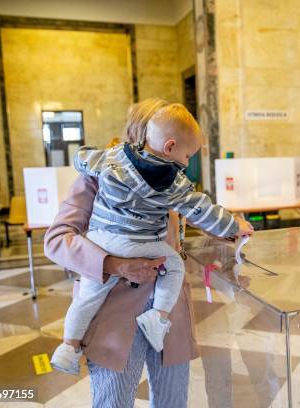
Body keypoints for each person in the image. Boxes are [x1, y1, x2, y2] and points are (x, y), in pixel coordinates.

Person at [44, 98, 253, 407]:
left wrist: (230, 228)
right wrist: (115, 265)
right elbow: (57, 240)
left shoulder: (170, 178)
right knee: (113, 401)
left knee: (172, 401)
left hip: (168, 317)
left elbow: (193, 220)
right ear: (142, 132)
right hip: (113, 314)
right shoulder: (100, 175)